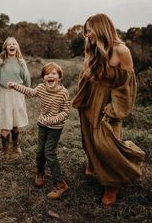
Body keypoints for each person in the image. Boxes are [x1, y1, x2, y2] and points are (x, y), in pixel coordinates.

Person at [72, 13, 145, 206]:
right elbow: (88, 75)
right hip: (90, 101)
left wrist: (113, 110)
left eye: (89, 30)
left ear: (102, 28)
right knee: (88, 137)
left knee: (107, 143)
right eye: (85, 31)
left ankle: (111, 185)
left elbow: (126, 86)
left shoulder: (122, 51)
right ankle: (93, 163)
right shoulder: (94, 48)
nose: (87, 35)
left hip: (107, 103)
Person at [8, 62, 70, 200]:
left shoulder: (63, 93)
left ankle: (60, 184)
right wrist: (15, 86)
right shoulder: (42, 88)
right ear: (43, 78)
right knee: (39, 151)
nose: (50, 76)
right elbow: (30, 92)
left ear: (59, 78)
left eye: (53, 73)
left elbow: (66, 112)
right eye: (47, 74)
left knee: (49, 153)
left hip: (55, 128)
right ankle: (40, 174)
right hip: (42, 125)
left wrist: (53, 119)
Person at [0, 37, 30, 156]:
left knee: (15, 123)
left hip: (17, 94)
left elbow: (27, 81)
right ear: (6, 48)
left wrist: (27, 88)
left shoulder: (21, 63)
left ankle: (16, 145)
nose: (11, 46)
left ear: (17, 48)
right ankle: (5, 148)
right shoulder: (1, 62)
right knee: (4, 122)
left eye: (14, 44)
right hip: (3, 94)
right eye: (9, 44)